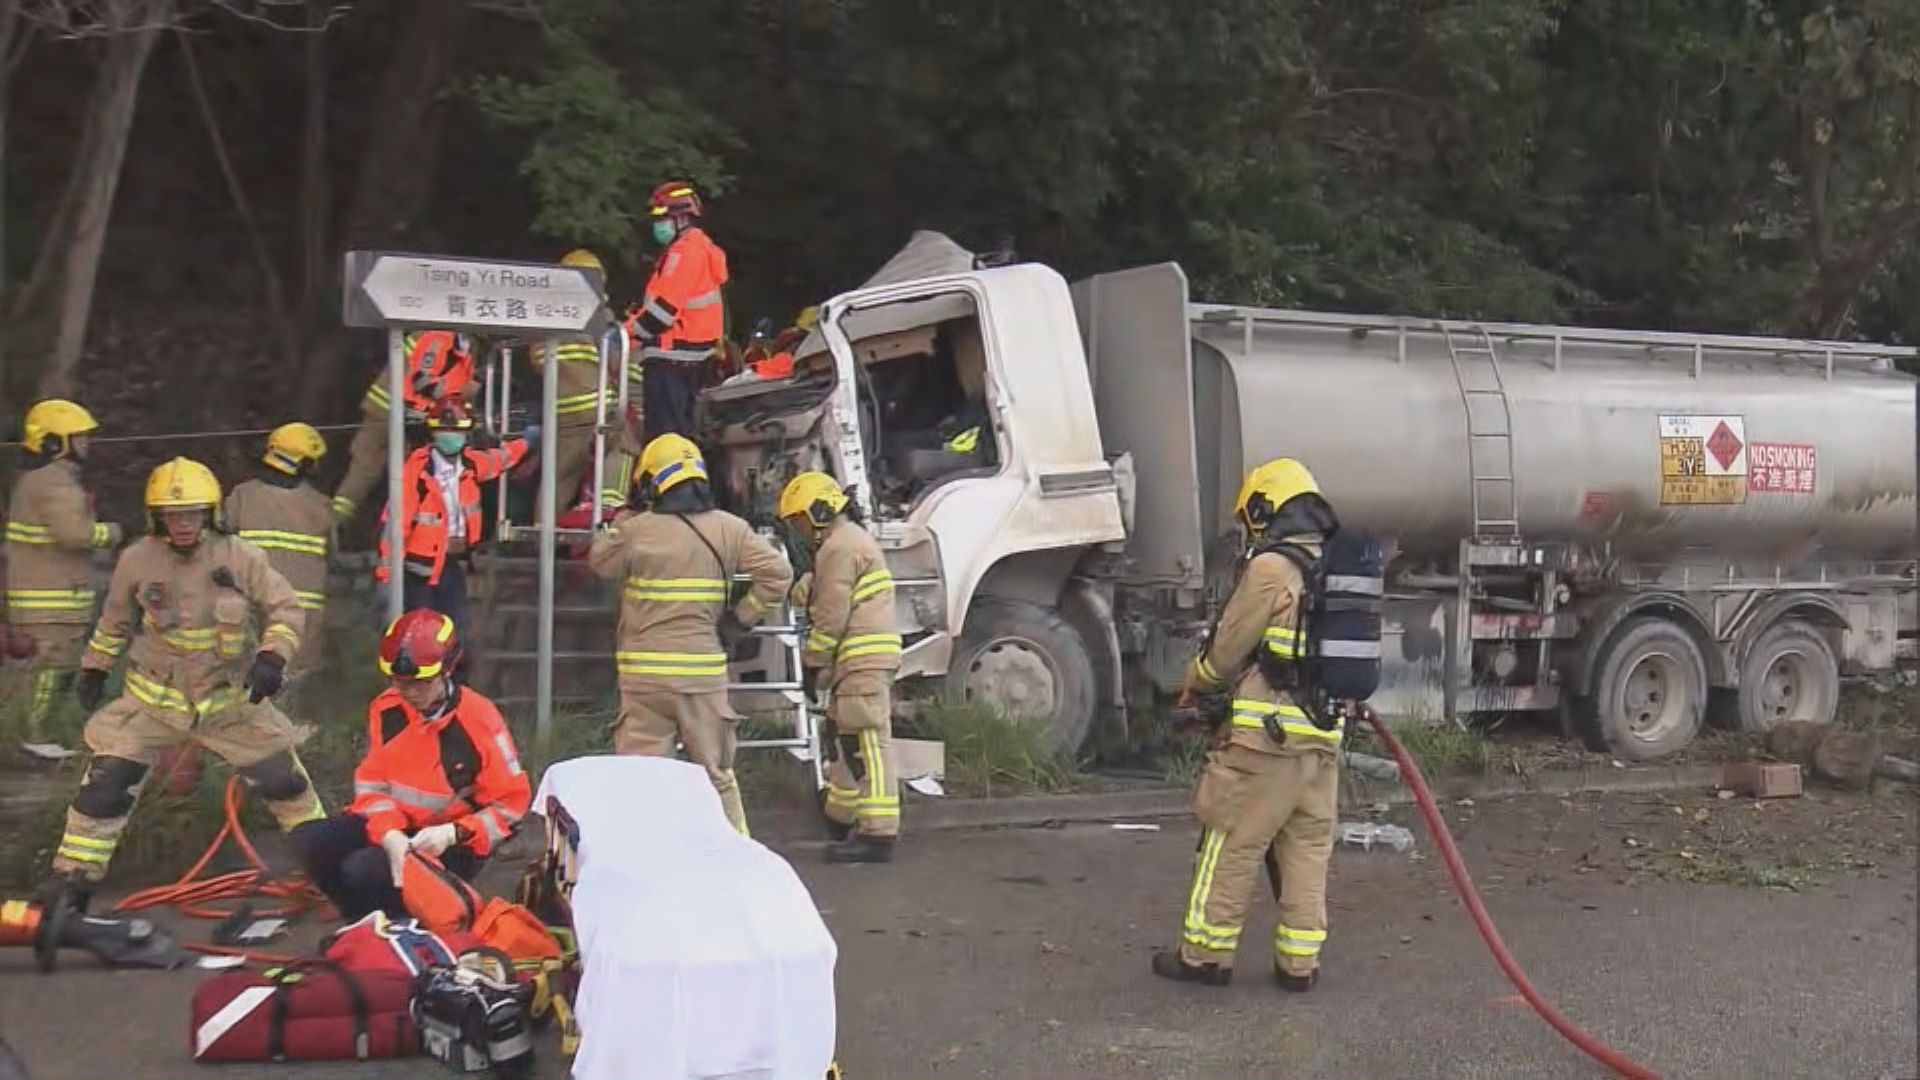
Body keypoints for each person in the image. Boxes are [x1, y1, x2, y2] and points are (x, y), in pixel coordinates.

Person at [41, 457, 323, 913]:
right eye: (174, 516)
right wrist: (94, 667)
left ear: (209, 513)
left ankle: (327, 867)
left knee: (285, 782)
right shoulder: (137, 559)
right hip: (152, 704)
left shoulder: (239, 557)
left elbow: (286, 609)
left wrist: (273, 656)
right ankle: (71, 886)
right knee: (106, 786)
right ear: (158, 518)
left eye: (192, 514)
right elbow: (113, 621)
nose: (184, 524)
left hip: (230, 703)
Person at [1152, 457, 1342, 992]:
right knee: (1306, 849)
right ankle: (1298, 965)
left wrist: (1197, 682)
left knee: (1231, 837)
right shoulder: (1333, 567)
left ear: (1265, 509)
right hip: (1321, 738)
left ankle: (1205, 957)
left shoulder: (1272, 569)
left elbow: (1226, 650)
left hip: (1265, 742)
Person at [586, 434, 790, 835]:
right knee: (715, 777)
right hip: (701, 677)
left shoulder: (636, 531)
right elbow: (779, 575)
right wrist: (740, 619)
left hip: (644, 678)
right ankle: (736, 861)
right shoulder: (730, 529)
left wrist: (625, 517)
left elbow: (600, 564)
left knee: (643, 781)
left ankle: (649, 862)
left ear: (651, 483)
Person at [291, 608, 530, 922]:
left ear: (447, 671)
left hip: (453, 842)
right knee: (309, 843)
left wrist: (453, 833)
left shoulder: (480, 720)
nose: (410, 693)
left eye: (421, 683)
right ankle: (360, 920)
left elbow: (511, 807)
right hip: (398, 829)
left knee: (362, 870)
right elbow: (372, 788)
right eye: (401, 683)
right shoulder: (387, 709)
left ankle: (405, 924)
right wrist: (389, 834)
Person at [777, 471, 903, 863]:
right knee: (844, 737)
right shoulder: (847, 544)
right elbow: (826, 592)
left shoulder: (838, 547)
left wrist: (813, 663)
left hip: (860, 655)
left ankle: (878, 834)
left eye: (799, 521)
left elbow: (831, 615)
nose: (799, 531)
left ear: (819, 511)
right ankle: (840, 813)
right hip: (862, 656)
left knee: (866, 741)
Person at [4, 399, 122, 760]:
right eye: (79, 437)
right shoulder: (53, 483)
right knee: (47, 672)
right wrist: (112, 532)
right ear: (55, 442)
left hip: (52, 598)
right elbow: (74, 534)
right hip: (49, 600)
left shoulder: (44, 481)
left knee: (56, 670)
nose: (86, 444)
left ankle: (40, 737)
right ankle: (34, 740)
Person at [374, 395, 529, 653]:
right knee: (418, 637)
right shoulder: (416, 471)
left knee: (455, 634)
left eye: (456, 430)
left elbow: (498, 460)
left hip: (451, 565)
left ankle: (452, 685)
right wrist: (386, 576)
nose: (450, 436)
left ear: (467, 433)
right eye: (444, 430)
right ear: (433, 433)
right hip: (418, 570)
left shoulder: (469, 463)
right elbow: (395, 525)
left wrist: (527, 442)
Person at [333, 329, 477, 523]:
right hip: (390, 410)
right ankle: (333, 524)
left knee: (402, 474)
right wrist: (462, 391)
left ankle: (395, 529)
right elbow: (422, 381)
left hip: (409, 415)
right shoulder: (439, 338)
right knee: (367, 470)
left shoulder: (463, 344)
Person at [623, 181, 729, 443]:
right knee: (681, 439)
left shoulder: (684, 253)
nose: (657, 225)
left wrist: (623, 334)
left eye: (662, 217)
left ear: (681, 217)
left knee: (665, 441)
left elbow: (662, 313)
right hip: (689, 359)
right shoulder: (698, 249)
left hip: (671, 359)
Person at [224, 423, 333, 677]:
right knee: (291, 692)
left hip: (251, 613)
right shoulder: (321, 506)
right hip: (303, 623)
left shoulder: (241, 496)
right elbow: (331, 555)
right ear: (304, 463)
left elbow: (217, 548)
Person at [531, 249, 625, 515]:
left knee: (558, 479)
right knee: (625, 445)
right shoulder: (598, 316)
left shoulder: (542, 316)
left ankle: (544, 534)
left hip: (560, 410)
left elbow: (536, 360)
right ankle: (606, 516)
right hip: (597, 407)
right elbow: (616, 361)